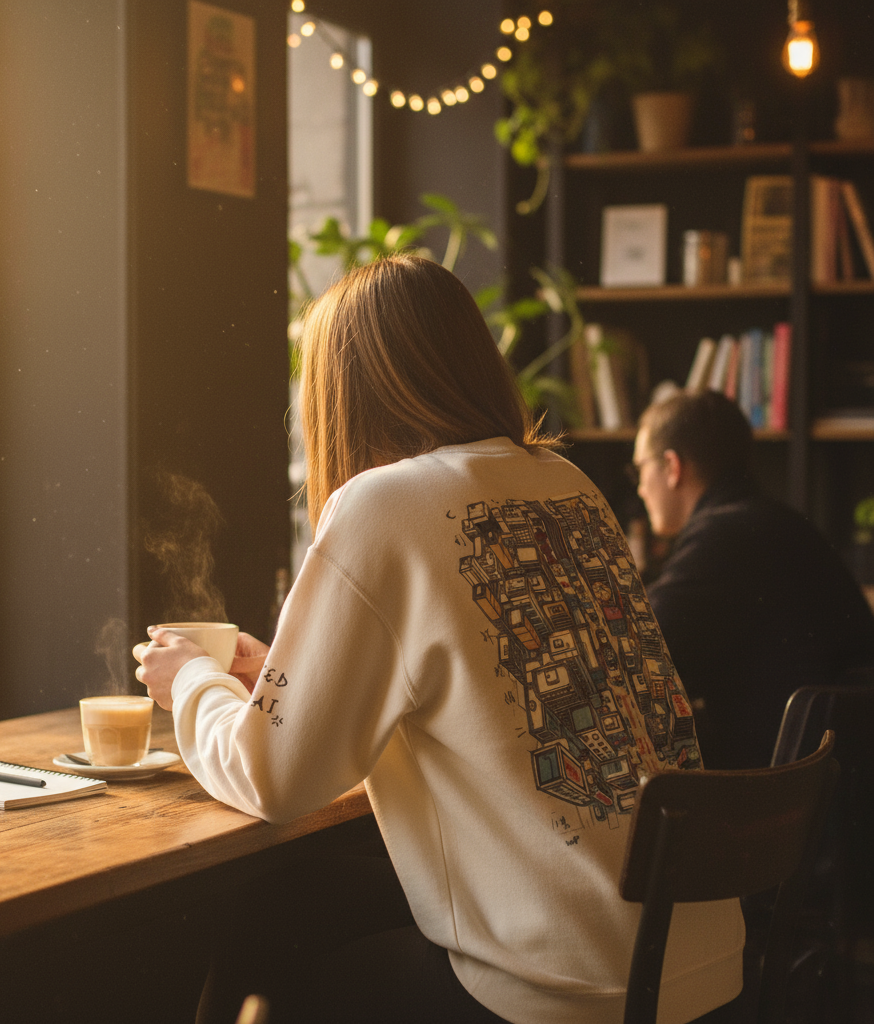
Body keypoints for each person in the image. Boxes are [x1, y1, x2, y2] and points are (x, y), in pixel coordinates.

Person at [136, 255, 744, 1024]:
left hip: (564, 988)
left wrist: (195, 682)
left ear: (340, 395)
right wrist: (293, 674)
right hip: (699, 963)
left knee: (266, 932)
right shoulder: (569, 484)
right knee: (297, 903)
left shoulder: (382, 504)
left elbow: (274, 780)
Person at [632, 389, 874, 770]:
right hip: (832, 781)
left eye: (640, 468)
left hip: (781, 789)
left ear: (672, 466)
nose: (640, 487)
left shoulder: (723, 535)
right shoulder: (774, 519)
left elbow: (640, 657)